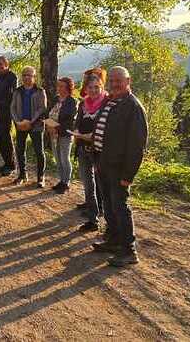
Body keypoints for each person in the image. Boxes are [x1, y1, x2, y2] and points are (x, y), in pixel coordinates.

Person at [91, 66, 148, 267]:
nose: (115, 84)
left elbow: (136, 146)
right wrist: (97, 161)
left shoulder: (133, 107)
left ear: (128, 81)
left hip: (119, 168)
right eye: (112, 81)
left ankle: (128, 250)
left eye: (119, 81)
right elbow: (102, 132)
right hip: (104, 164)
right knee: (108, 204)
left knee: (120, 207)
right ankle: (113, 239)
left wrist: (128, 175)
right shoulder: (110, 101)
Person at [73, 69, 108, 232]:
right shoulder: (82, 104)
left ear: (101, 87)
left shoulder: (107, 104)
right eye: (90, 87)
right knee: (88, 185)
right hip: (82, 148)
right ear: (85, 89)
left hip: (100, 151)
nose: (93, 90)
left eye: (96, 87)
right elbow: (78, 122)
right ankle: (92, 219)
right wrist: (77, 132)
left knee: (103, 187)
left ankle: (110, 226)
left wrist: (92, 136)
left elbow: (108, 128)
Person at [10, 66, 47, 187]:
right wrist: (17, 122)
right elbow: (13, 108)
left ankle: (41, 177)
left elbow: (42, 108)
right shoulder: (17, 91)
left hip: (35, 125)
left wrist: (31, 121)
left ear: (34, 77)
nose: (26, 77)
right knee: (20, 150)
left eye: (29, 75)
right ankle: (22, 175)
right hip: (20, 125)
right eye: (24, 75)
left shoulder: (40, 91)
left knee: (39, 151)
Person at [47, 77, 77, 196]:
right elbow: (48, 111)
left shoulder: (72, 101)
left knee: (65, 158)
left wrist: (57, 128)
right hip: (53, 133)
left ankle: (66, 182)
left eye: (62, 86)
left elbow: (70, 121)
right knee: (57, 158)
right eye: (58, 86)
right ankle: (61, 180)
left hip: (65, 134)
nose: (59, 88)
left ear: (68, 88)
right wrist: (48, 124)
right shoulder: (55, 99)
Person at [0, 56, 17, 176]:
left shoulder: (12, 77)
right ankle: (6, 163)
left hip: (6, 112)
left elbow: (11, 96)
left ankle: (11, 165)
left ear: (7, 64)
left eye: (1, 64)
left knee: (6, 137)